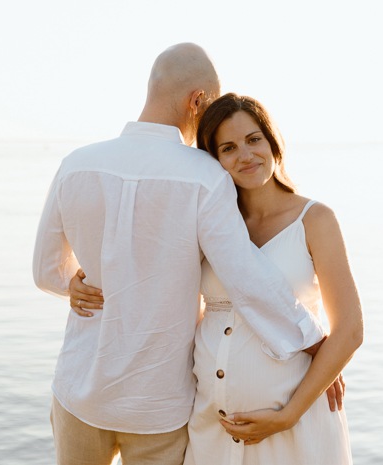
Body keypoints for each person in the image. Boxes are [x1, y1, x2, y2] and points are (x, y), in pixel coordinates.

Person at [32, 44, 327, 465]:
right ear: (197, 101)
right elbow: (245, 277)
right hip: (157, 405)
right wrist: (312, 340)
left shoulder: (76, 164)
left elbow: (45, 271)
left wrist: (70, 283)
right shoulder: (204, 176)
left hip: (79, 390)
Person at [71, 93, 364, 464]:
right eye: (228, 148)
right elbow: (145, 271)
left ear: (273, 143)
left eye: (254, 139)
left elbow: (350, 330)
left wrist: (288, 415)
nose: (245, 155)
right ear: (214, 161)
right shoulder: (207, 220)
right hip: (211, 422)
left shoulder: (315, 219)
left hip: (296, 422)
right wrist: (75, 280)